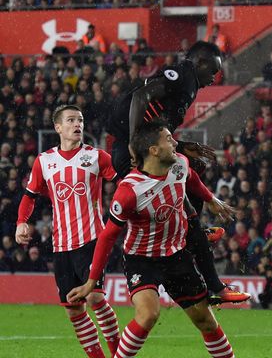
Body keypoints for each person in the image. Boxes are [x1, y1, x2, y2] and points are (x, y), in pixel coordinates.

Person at [67, 122, 237, 357]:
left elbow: (192, 178)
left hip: (177, 257)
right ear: (154, 150)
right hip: (141, 260)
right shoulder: (129, 191)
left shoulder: (179, 163)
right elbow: (107, 237)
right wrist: (91, 281)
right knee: (148, 314)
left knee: (205, 322)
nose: (175, 143)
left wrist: (210, 199)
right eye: (169, 139)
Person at [106, 41, 250, 304]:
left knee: (194, 168)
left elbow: (156, 128)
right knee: (187, 205)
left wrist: (183, 146)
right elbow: (140, 97)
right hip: (132, 153)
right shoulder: (183, 76)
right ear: (201, 63)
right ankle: (212, 276)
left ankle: (192, 233)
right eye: (213, 72)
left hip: (142, 149)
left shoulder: (189, 84)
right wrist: (133, 142)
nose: (213, 79)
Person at [16, 105, 120, 357]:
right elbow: (30, 196)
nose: (78, 124)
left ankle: (120, 353)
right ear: (58, 127)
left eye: (80, 120)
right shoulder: (45, 160)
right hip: (61, 245)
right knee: (73, 309)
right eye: (71, 120)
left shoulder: (97, 156)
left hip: (92, 239)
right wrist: (22, 221)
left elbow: (124, 183)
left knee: (95, 298)